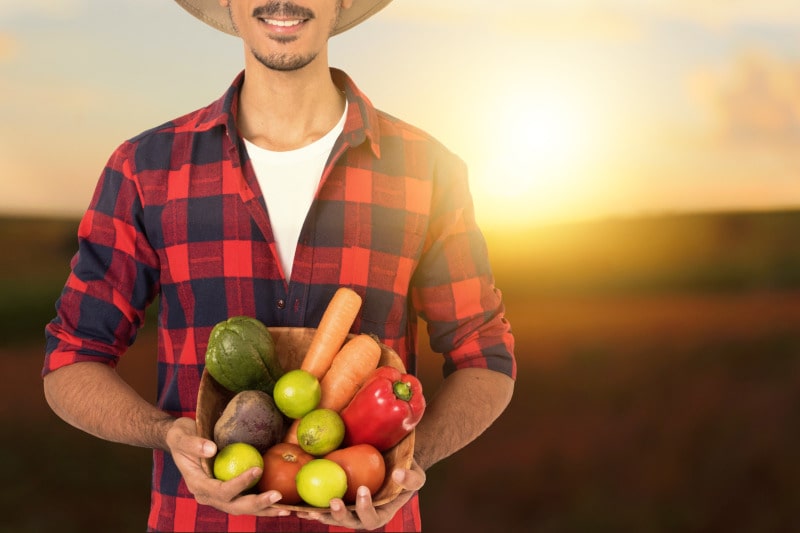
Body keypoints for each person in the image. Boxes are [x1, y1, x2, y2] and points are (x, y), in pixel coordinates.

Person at [42, 1, 517, 531]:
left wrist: (407, 463)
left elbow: (484, 356)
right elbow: (71, 359)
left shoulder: (428, 171)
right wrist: (165, 433)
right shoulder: (146, 169)